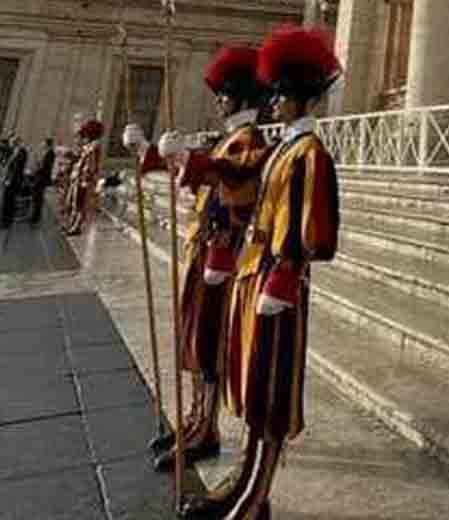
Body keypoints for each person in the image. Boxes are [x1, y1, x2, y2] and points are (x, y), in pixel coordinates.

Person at [179, 24, 341, 519]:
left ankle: (255, 498)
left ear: (296, 98)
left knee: (269, 393)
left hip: (276, 286)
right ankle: (245, 481)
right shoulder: (286, 149)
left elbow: (312, 222)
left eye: (280, 95)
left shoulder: (310, 154)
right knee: (251, 387)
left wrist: (285, 276)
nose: (272, 102)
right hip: (254, 277)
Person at [125, 44, 274, 475]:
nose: (218, 100)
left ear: (241, 96)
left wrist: (188, 159)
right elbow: (202, 172)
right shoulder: (228, 138)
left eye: (225, 93)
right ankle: (194, 418)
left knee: (208, 344)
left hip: (225, 262)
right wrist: (149, 153)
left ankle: (207, 428)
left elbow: (233, 175)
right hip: (204, 254)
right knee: (193, 339)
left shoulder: (250, 140)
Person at [63, 120, 104, 236]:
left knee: (80, 205)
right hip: (79, 177)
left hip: (85, 179)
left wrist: (87, 178)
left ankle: (76, 226)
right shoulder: (89, 146)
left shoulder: (95, 146)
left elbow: (91, 164)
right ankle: (72, 224)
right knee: (75, 203)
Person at [1, 137, 29, 228]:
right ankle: (5, 220)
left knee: (9, 202)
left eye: (13, 142)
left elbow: (16, 169)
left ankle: (7, 222)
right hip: (10, 180)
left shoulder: (21, 152)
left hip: (13, 181)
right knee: (7, 201)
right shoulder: (15, 151)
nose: (11, 144)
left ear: (17, 142)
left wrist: (9, 179)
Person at [29, 138, 55, 224]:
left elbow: (45, 167)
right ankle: (35, 216)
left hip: (41, 178)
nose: (42, 145)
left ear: (47, 144)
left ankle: (35, 217)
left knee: (38, 198)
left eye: (43, 143)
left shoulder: (50, 153)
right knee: (37, 197)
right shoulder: (47, 153)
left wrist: (37, 168)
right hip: (40, 177)